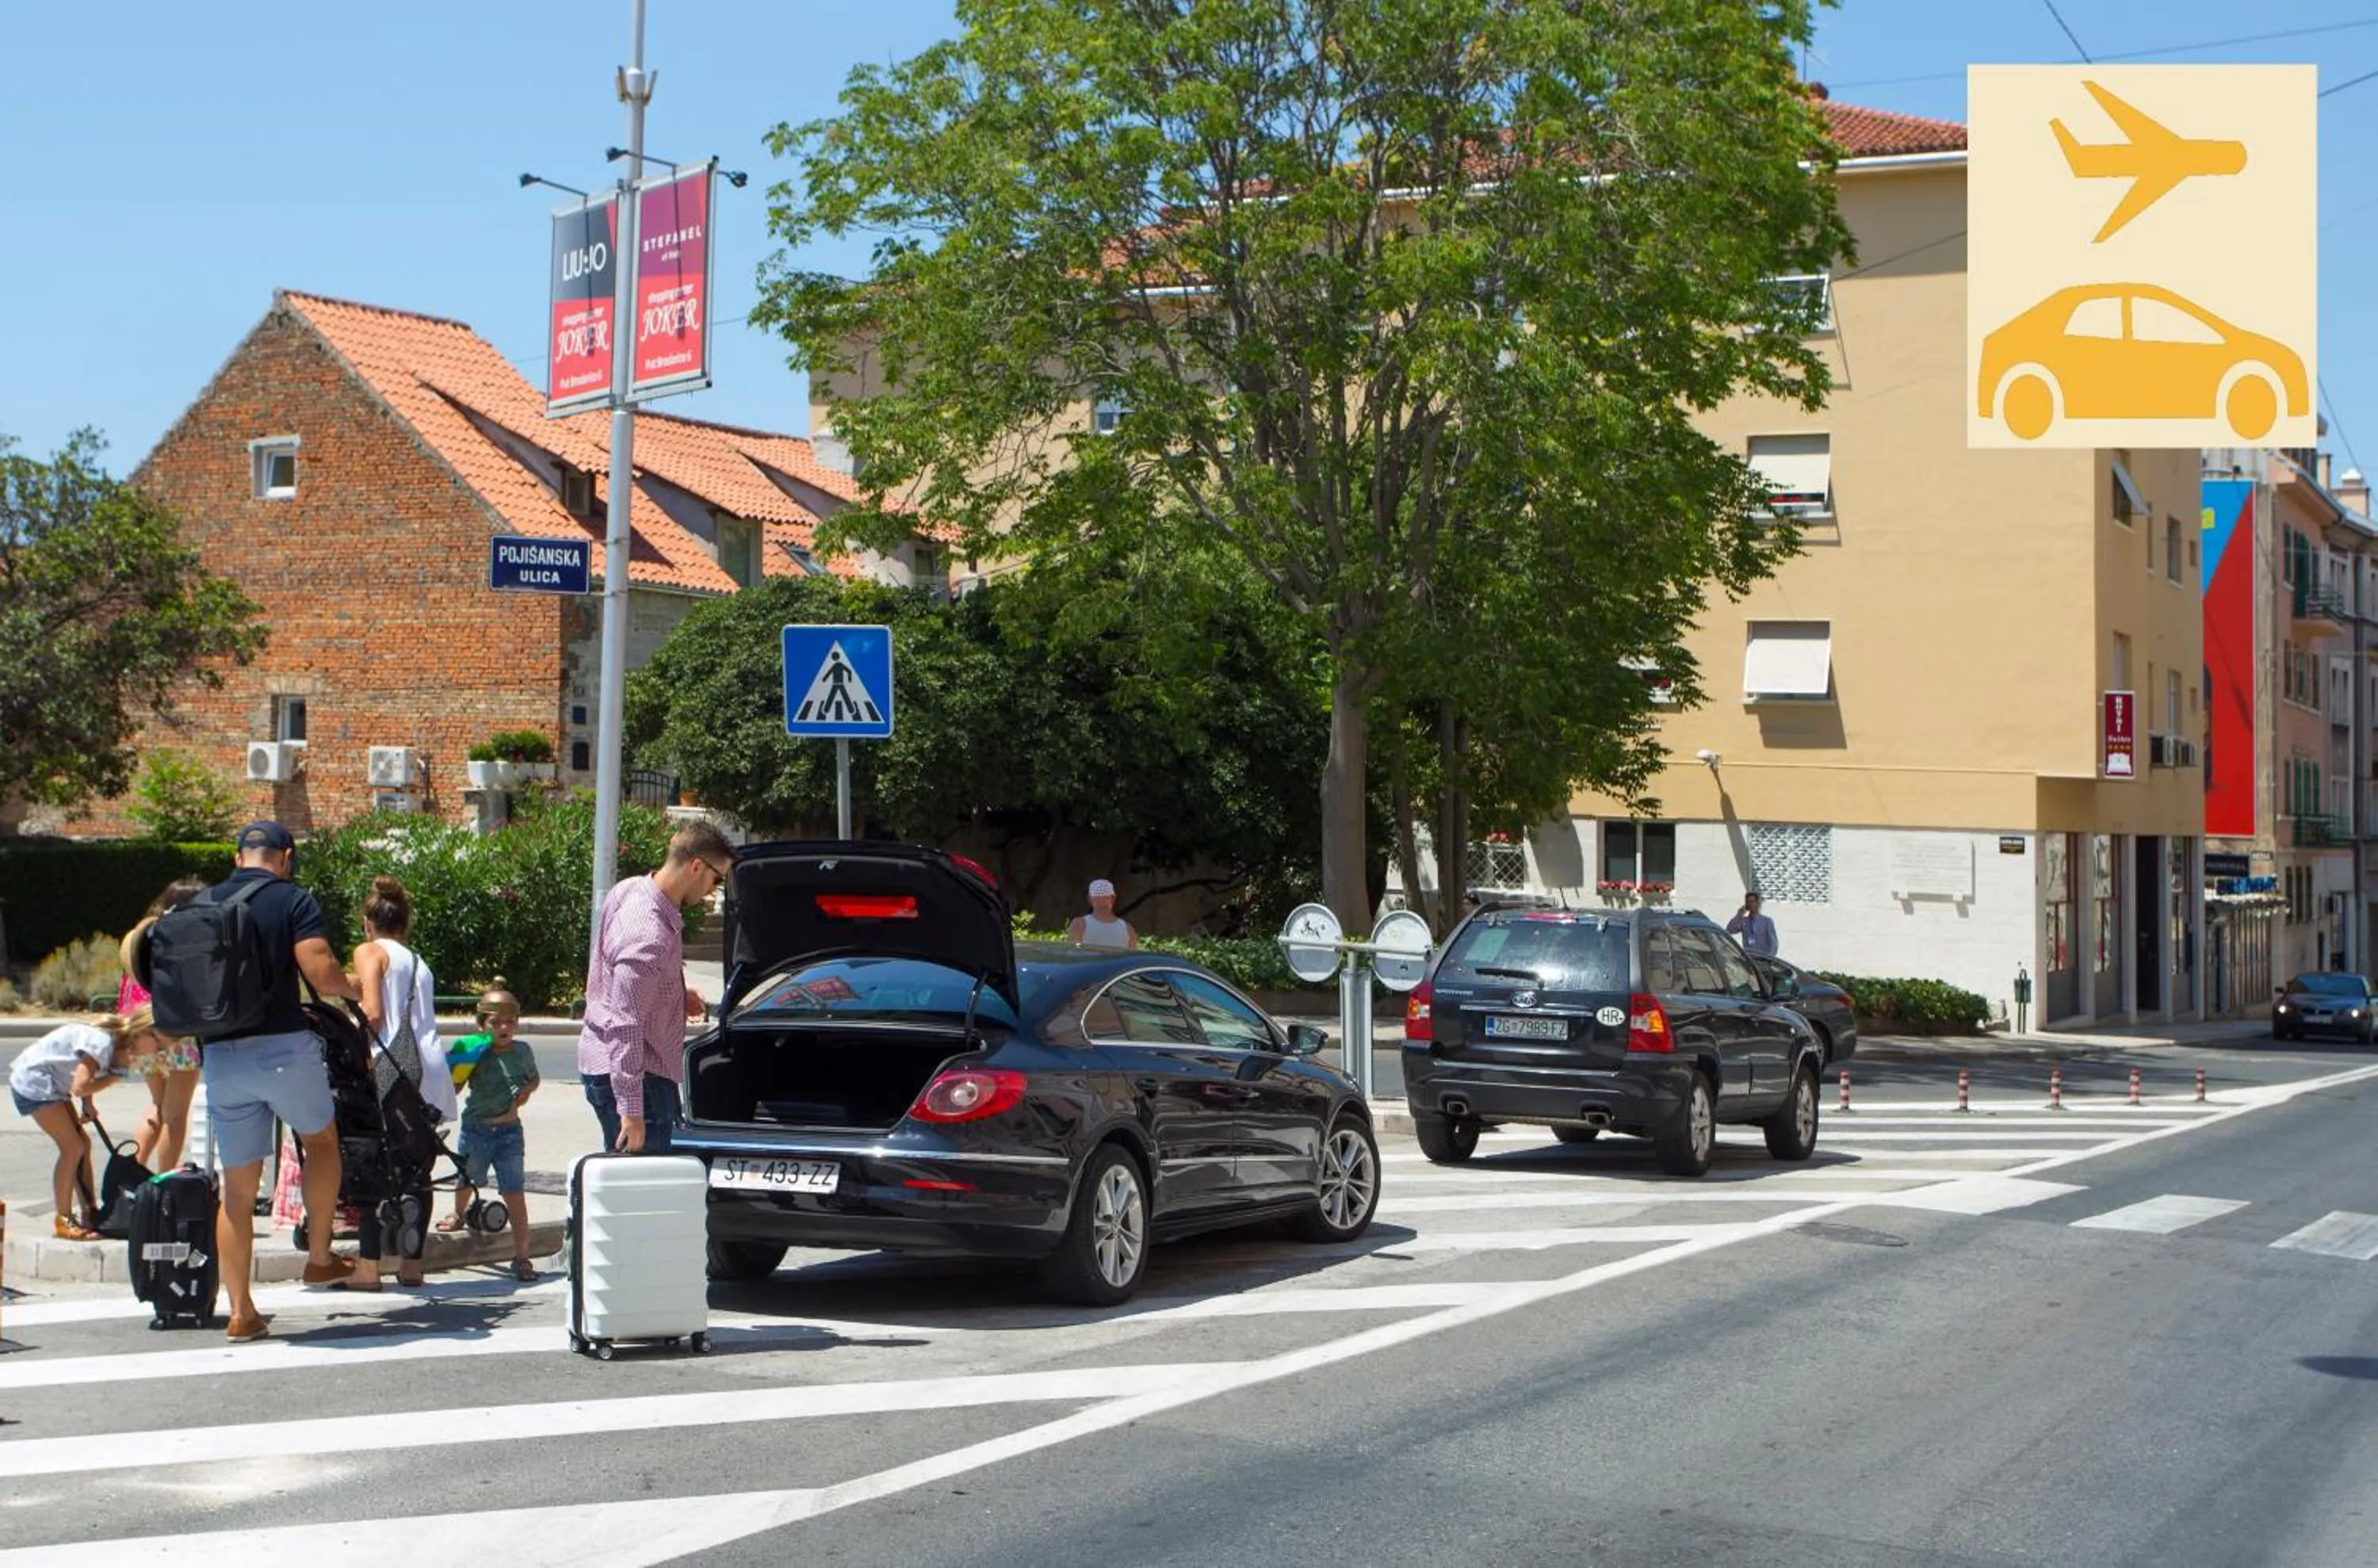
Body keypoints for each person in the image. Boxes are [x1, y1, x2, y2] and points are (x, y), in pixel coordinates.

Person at [194, 820, 363, 1340]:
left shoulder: (203, 902)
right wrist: (356, 988)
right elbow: (319, 971)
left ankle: (242, 1312)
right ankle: (318, 1257)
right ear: (285, 857)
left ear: (237, 856)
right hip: (283, 1051)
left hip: (221, 1056)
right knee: (322, 1141)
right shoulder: (292, 899)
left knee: (238, 1193)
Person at [579, 822, 732, 1156]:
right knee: (637, 1197)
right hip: (639, 1080)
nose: (713, 889)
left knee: (626, 1190)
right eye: (716, 879)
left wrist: (676, 994)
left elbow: (623, 984)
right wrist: (632, 1111)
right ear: (695, 866)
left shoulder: (631, 889)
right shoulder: (648, 932)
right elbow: (626, 1023)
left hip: (610, 1066)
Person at [347, 876, 454, 1291]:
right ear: (404, 922)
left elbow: (373, 1014)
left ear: (367, 922)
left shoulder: (368, 951)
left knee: (376, 1163)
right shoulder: (418, 961)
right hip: (427, 1066)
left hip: (391, 1064)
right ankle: (413, 1265)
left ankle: (370, 1268)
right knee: (417, 1166)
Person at [10, 1007, 172, 1238]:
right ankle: (63, 1219)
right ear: (141, 1032)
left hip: (53, 1083)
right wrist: (110, 1080)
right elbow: (80, 1085)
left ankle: (90, 1212)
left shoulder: (121, 1051)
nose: (158, 1051)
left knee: (83, 1144)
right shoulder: (105, 1043)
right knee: (72, 1148)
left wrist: (88, 1104)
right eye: (157, 1042)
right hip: (35, 1080)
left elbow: (87, 1077)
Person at [442, 987, 541, 1280]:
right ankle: (459, 1214)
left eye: (509, 1022)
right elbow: (455, 1086)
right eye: (495, 1023)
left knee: (515, 1191)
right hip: (477, 1129)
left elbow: (534, 1079)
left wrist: (526, 1092)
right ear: (481, 1025)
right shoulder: (476, 1051)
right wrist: (457, 1067)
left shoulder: (522, 1052)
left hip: (510, 1132)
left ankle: (522, 1256)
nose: (503, 1028)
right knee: (466, 1177)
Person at [116, 877, 208, 1171]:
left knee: (157, 1106)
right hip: (174, 1031)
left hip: (139, 1028)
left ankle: (133, 1172)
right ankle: (163, 1181)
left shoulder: (142, 934)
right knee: (176, 1113)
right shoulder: (189, 940)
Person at [1066, 878, 1138, 950]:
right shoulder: (1128, 929)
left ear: (1089, 899)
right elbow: (1132, 959)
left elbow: (1073, 953)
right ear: (1113, 899)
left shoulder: (1079, 925)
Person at [1728, 891, 1780, 958]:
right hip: (1749, 958)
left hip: (1763, 958)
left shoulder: (1767, 921)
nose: (1750, 904)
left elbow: (1773, 943)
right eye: (1748, 902)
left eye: (1752, 902)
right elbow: (1730, 930)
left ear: (1757, 903)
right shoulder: (1744, 921)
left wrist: (1769, 958)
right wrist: (1739, 915)